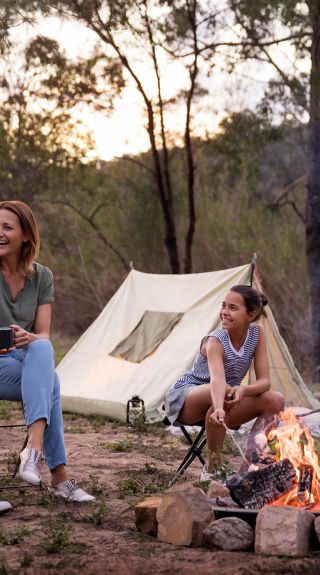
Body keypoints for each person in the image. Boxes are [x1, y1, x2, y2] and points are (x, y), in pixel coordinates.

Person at [0, 200, 95, 502]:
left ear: (26, 235)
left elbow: (42, 332)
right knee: (51, 382)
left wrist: (27, 337)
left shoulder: (42, 276)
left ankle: (33, 451)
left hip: (24, 359)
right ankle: (57, 474)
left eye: (7, 227)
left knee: (42, 345)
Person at [164, 284, 285, 481]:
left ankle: (249, 468)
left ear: (251, 315)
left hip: (223, 400)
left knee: (276, 400)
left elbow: (265, 382)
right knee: (226, 391)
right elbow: (217, 378)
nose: (224, 313)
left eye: (233, 308)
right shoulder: (215, 341)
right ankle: (213, 467)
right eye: (223, 306)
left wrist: (243, 390)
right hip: (186, 398)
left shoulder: (257, 334)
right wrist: (219, 407)